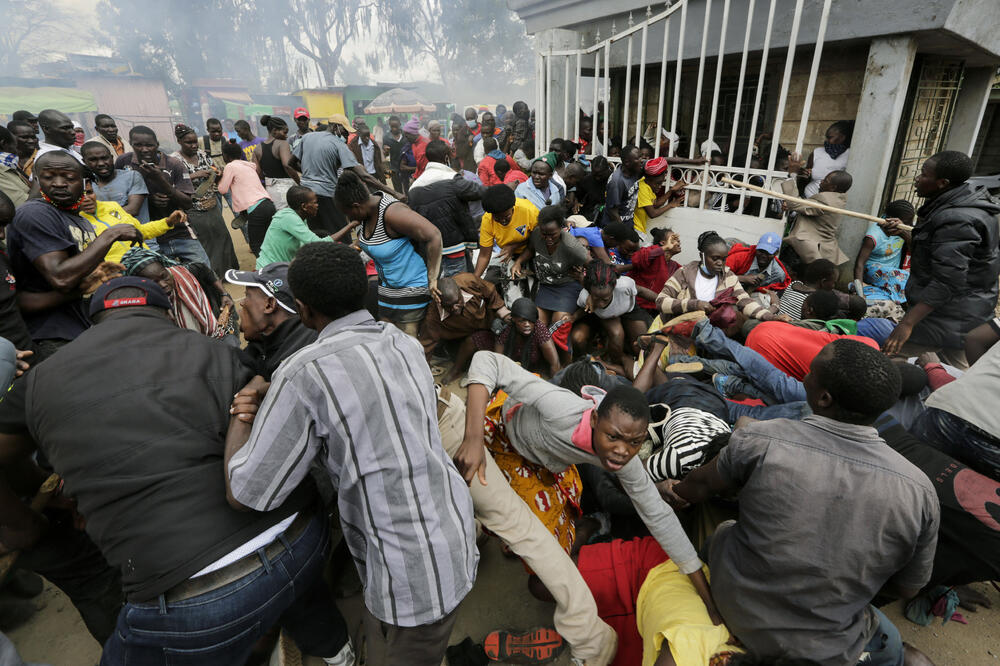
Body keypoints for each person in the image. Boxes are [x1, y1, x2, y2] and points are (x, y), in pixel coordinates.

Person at [16, 275, 354, 665]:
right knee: (294, 588)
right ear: (165, 313)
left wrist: (37, 506)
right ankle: (338, 653)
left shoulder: (41, 378)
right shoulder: (216, 353)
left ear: (94, 320)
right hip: (301, 538)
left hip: (192, 598)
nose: (240, 305)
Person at [225, 242, 477, 666]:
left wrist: (242, 410)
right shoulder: (402, 343)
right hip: (450, 533)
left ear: (301, 309)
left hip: (412, 578)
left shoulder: (304, 373)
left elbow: (246, 493)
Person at [672, 339, 939, 666]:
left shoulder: (762, 439)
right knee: (912, 657)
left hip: (739, 612)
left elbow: (694, 488)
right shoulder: (919, 490)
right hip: (831, 643)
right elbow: (909, 588)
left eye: (810, 372)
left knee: (725, 528)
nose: (804, 378)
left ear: (823, 398)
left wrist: (669, 487)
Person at [442, 351, 719, 664]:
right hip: (504, 440)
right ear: (595, 419)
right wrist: (474, 438)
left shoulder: (623, 457)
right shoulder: (561, 408)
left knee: (554, 541)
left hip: (545, 461)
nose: (621, 451)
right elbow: (485, 360)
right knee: (527, 537)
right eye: (613, 437)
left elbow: (659, 516)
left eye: (634, 442)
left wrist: (706, 598)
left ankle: (524, 529)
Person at [6, 151, 142, 356]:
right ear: (37, 179)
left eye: (69, 177)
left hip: (83, 327)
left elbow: (84, 279)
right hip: (54, 335)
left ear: (84, 181)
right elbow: (61, 278)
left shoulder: (79, 219)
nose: (59, 183)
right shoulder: (36, 213)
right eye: (49, 177)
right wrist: (109, 235)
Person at [883, 150, 1000, 368]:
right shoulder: (961, 202)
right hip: (963, 312)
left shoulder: (958, 219)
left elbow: (948, 280)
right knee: (955, 375)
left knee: (885, 364)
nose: (918, 179)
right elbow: (937, 253)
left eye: (924, 174)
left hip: (947, 315)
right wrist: (903, 233)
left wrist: (907, 323)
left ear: (942, 183)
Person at [336, 169, 442, 336]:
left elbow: (434, 235)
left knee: (408, 345)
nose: (349, 219)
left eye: (348, 214)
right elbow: (373, 242)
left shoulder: (392, 213)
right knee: (388, 340)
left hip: (411, 287)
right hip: (387, 290)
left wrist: (433, 278)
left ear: (356, 206)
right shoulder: (364, 216)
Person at [911, 325, 1000, 480]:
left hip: (950, 410)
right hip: (994, 436)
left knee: (910, 480)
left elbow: (975, 338)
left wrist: (977, 383)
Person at [290, 113, 397, 235]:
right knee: (341, 233)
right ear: (335, 127)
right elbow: (363, 175)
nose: (347, 135)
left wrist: (310, 174)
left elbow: (291, 163)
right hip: (326, 195)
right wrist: (394, 192)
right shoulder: (338, 144)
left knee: (317, 235)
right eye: (345, 131)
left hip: (306, 195)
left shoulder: (307, 137)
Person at [655, 231, 789, 328]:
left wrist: (770, 316)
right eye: (715, 258)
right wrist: (694, 304)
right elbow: (661, 302)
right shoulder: (684, 273)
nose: (720, 263)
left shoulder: (728, 276)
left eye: (724, 259)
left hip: (705, 330)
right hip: (675, 326)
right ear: (702, 256)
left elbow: (745, 300)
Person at [115, 126, 206, 264]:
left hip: (179, 233)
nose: (144, 149)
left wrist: (161, 181)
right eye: (138, 145)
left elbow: (188, 203)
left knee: (205, 272)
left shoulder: (174, 165)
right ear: (131, 144)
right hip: (145, 237)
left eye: (149, 145)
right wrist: (149, 199)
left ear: (157, 145)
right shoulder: (124, 162)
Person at [225, 262, 318, 380]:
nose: (242, 303)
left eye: (247, 295)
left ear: (269, 305)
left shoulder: (297, 364)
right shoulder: (261, 345)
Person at [407, 139, 485, 277]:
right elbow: (479, 191)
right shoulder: (451, 179)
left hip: (429, 251)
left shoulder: (414, 188)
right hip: (454, 249)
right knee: (461, 288)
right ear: (446, 157)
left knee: (439, 289)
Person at [171, 125, 239, 275]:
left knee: (222, 237)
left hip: (212, 203)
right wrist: (195, 175)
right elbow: (172, 184)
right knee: (205, 242)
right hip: (193, 208)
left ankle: (228, 272)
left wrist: (217, 172)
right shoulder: (175, 160)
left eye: (195, 141)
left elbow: (213, 168)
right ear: (179, 141)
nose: (194, 145)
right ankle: (212, 276)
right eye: (189, 143)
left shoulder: (201, 154)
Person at [418, 273, 510, 381]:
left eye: (458, 302)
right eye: (449, 306)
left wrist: (502, 311)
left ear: (460, 291)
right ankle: (457, 370)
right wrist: (423, 372)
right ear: (439, 303)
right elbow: (426, 347)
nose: (455, 308)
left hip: (488, 323)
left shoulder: (469, 282)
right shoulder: (433, 318)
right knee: (465, 352)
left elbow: (490, 291)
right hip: (461, 337)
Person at [512, 205, 589, 325]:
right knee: (537, 324)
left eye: (552, 234)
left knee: (558, 323)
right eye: (544, 234)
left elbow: (592, 264)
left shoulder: (572, 246)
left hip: (567, 286)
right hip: (546, 286)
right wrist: (518, 262)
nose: (548, 238)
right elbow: (530, 249)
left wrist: (584, 280)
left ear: (561, 228)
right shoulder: (537, 234)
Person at [570, 261, 650, 375]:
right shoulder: (584, 297)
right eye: (596, 299)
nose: (601, 304)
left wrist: (663, 301)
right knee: (617, 335)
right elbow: (584, 311)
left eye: (605, 299)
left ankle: (630, 363)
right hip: (608, 316)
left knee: (642, 346)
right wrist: (573, 317)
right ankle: (614, 365)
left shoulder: (625, 285)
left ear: (614, 287)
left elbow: (641, 291)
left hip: (629, 310)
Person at [255, 185, 356, 269]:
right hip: (269, 270)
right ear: (304, 206)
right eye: (315, 202)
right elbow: (316, 243)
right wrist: (351, 225)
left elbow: (307, 247)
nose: (317, 205)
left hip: (281, 268)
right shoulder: (288, 218)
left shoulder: (301, 218)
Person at [781, 156, 852, 269]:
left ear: (833, 187)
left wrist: (792, 174)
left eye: (825, 181)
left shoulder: (826, 200)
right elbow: (805, 209)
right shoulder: (838, 198)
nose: (821, 182)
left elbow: (794, 203)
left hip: (811, 250)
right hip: (822, 250)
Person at [854, 199, 914, 319]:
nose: (910, 225)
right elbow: (859, 264)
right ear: (892, 219)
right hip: (873, 270)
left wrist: (903, 233)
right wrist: (859, 291)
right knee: (901, 277)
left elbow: (915, 248)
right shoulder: (874, 235)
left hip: (892, 273)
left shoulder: (903, 230)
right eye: (907, 222)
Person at [218, 139, 275, 256]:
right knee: (269, 241)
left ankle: (265, 270)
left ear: (225, 156)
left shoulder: (230, 166)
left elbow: (222, 189)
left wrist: (218, 179)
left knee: (255, 245)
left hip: (256, 209)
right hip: (268, 204)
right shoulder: (250, 166)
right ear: (240, 154)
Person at [473, 184, 539, 283]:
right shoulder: (487, 220)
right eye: (497, 218)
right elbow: (484, 255)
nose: (503, 221)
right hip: (508, 255)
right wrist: (475, 280)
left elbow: (537, 239)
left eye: (507, 216)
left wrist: (514, 248)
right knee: (490, 281)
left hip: (533, 250)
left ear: (513, 207)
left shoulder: (529, 211)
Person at [81, 141, 148, 221]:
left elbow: (133, 209)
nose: (101, 163)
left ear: (112, 158)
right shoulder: (87, 185)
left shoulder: (132, 177)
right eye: (93, 160)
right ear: (84, 162)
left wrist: (99, 217)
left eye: (104, 158)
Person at [0, 192, 33, 351]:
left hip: (26, 350)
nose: (1, 235)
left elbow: (15, 302)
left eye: (4, 226)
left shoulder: (2, 254)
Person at [725, 231, 791, 309]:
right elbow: (717, 276)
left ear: (776, 253)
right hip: (728, 292)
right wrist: (742, 278)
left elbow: (773, 294)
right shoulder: (740, 258)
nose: (763, 255)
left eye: (768, 253)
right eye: (761, 251)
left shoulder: (778, 274)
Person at [254, 115, 300, 211]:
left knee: (278, 216)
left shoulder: (257, 148)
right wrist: (299, 182)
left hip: (270, 189)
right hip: (286, 188)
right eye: (285, 132)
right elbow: (287, 165)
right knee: (290, 216)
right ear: (274, 130)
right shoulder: (282, 144)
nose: (286, 136)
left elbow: (257, 172)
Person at [633, 157, 684, 235]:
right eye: (657, 183)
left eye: (661, 183)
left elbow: (655, 204)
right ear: (648, 179)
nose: (660, 186)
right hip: (635, 230)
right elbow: (652, 214)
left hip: (639, 229)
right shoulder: (642, 188)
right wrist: (670, 205)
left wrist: (671, 191)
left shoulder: (647, 185)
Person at [802, 120, 853, 197]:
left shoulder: (850, 155)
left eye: (830, 137)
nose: (827, 141)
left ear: (842, 137)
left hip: (830, 202)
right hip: (809, 197)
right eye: (827, 137)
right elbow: (806, 177)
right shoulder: (817, 152)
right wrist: (804, 173)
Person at [602, 146, 643, 227]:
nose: (641, 160)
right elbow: (613, 213)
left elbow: (657, 162)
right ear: (627, 162)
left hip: (628, 223)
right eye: (638, 158)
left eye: (641, 156)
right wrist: (624, 233)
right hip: (615, 228)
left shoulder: (635, 168)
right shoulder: (617, 182)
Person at [0, 128, 29, 208]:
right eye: (16, 146)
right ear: (4, 144)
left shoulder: (7, 167)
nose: (17, 151)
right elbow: (25, 206)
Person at [382, 115, 406, 193]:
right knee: (397, 189)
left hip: (406, 167)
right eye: (392, 126)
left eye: (396, 126)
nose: (394, 128)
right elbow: (385, 155)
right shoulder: (386, 137)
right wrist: (386, 151)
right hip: (394, 167)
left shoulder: (405, 135)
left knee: (407, 186)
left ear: (400, 124)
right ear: (389, 125)